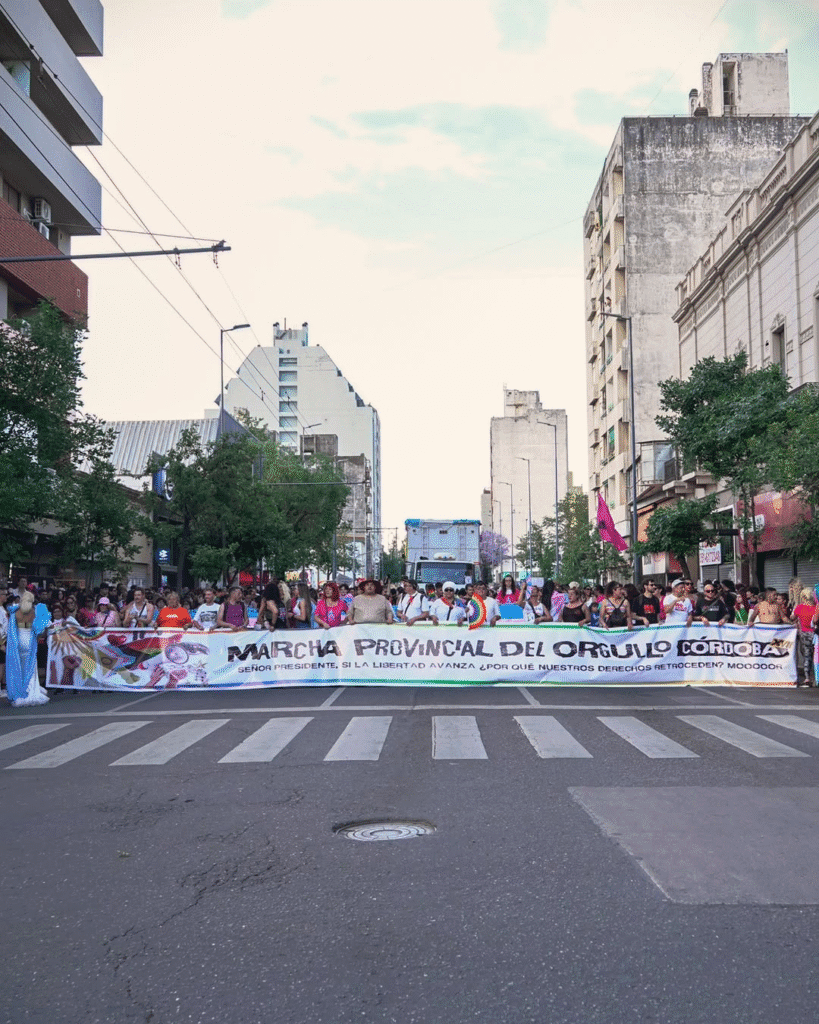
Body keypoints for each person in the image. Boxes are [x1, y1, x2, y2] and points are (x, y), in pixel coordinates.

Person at [5, 591, 51, 707]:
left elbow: (9, 628)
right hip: (29, 641)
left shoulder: (15, 612)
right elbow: (40, 630)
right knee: (30, 668)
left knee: (18, 668)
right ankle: (30, 691)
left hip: (18, 642)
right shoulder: (35, 612)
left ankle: (19, 692)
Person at [790, 588, 817, 687]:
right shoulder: (816, 608)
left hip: (805, 634)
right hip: (816, 634)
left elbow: (792, 618)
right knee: (816, 657)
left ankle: (807, 678)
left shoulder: (799, 608)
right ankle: (816, 677)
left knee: (807, 656)